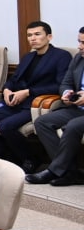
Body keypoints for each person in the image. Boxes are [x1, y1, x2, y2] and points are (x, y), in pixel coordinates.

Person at [0, 20, 71, 169]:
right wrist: (7, 90)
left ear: (49, 37)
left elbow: (60, 85)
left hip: (35, 105)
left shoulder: (61, 56)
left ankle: (30, 159)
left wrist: (28, 92)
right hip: (14, 101)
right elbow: (14, 79)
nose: (33, 38)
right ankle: (5, 157)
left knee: (5, 126)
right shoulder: (28, 57)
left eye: (37, 34)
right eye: (29, 35)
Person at [27, 26, 84, 187]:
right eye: (79, 41)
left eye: (83, 43)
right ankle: (69, 172)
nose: (79, 46)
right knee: (42, 122)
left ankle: (54, 170)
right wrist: (66, 93)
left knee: (72, 126)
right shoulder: (78, 59)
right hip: (77, 108)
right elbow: (65, 83)